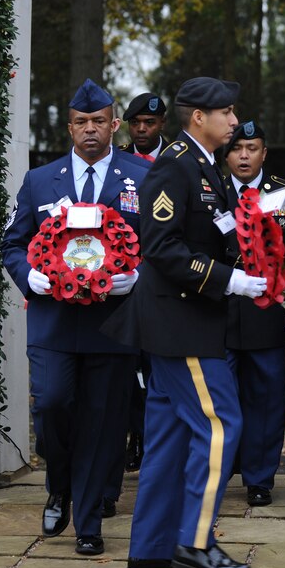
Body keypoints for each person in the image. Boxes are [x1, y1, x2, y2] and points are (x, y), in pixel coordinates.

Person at [102, 76, 263, 568]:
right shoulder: (175, 167)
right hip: (181, 321)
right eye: (227, 113)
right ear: (200, 117)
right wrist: (227, 279)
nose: (234, 122)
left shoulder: (202, 166)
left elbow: (212, 232)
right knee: (220, 426)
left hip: (186, 319)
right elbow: (164, 248)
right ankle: (195, 541)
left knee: (170, 436)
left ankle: (152, 551)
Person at [1, 78, 149, 556]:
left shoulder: (142, 178)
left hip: (114, 325)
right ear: (69, 126)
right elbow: (12, 243)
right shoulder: (41, 180)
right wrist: (31, 277)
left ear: (115, 124)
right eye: (82, 122)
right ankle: (59, 483)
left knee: (103, 424)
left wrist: (139, 276)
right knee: (52, 408)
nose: (90, 130)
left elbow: (163, 246)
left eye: (99, 121)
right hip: (55, 324)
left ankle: (88, 523)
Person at [223, 120, 285, 507]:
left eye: (252, 148)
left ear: (265, 153)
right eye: (237, 148)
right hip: (220, 312)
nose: (244, 155)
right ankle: (217, 468)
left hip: (269, 314)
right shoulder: (208, 192)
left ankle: (260, 478)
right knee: (219, 397)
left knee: (265, 399)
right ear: (226, 153)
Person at [116, 92, 170, 475]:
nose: (141, 130)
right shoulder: (118, 161)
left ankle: (157, 440)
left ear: (161, 124)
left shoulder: (179, 160)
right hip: (125, 279)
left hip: (165, 278)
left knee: (159, 365)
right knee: (128, 365)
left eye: (149, 123)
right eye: (136, 123)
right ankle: (137, 437)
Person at [119, 92, 170, 161]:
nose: (141, 129)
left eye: (149, 122)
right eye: (134, 122)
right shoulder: (118, 156)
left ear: (162, 123)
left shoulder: (177, 158)